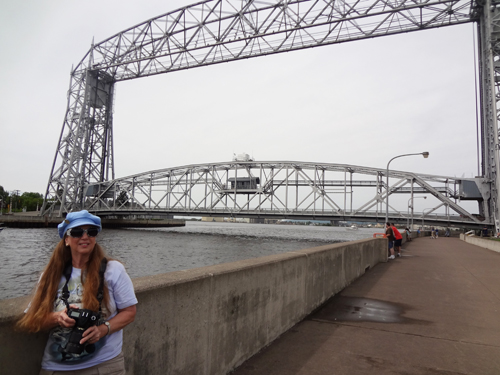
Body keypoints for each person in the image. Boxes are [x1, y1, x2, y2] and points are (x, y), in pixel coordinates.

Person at [17, 210, 138, 374]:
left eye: (91, 232)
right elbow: (34, 320)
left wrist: (103, 329)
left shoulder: (113, 270)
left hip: (105, 366)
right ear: (66, 239)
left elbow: (130, 312)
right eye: (77, 232)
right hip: (57, 368)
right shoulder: (51, 275)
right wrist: (58, 317)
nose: (85, 236)